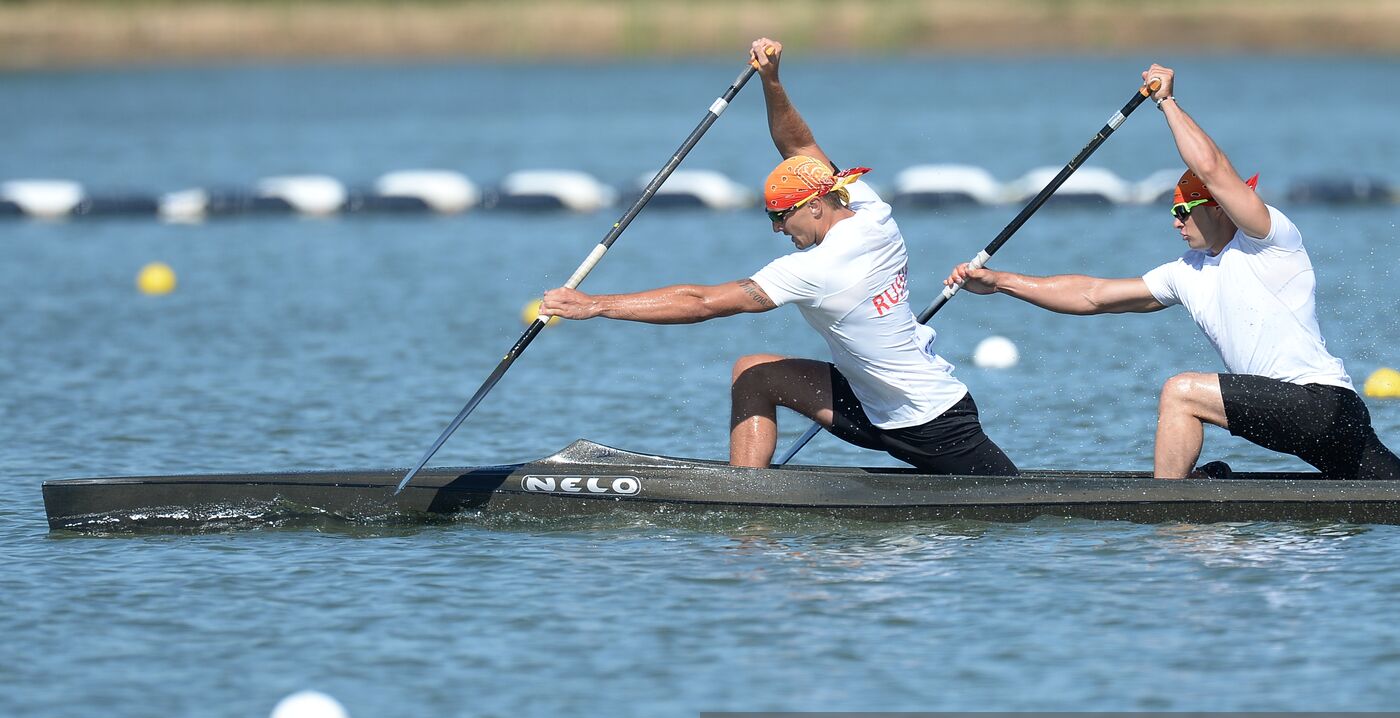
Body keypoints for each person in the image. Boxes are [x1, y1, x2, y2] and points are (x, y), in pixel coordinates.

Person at [540, 38, 1017, 476]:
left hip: (930, 421)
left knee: (1009, 498)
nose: (776, 229)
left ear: (814, 206)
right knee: (754, 373)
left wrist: (596, 305)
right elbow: (800, 147)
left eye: (780, 217)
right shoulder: (869, 208)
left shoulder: (819, 268)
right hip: (871, 404)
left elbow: (704, 302)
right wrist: (771, 82)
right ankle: (747, 495)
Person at [945, 63, 1400, 481]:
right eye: (1173, 210)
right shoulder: (1186, 273)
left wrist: (1166, 102)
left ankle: (1165, 510)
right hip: (1287, 415)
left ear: (1219, 207)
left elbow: (1213, 168)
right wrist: (1001, 282)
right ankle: (1204, 490)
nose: (1176, 221)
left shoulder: (1269, 240)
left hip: (1322, 406)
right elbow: (1092, 295)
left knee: (1181, 392)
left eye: (1184, 209)